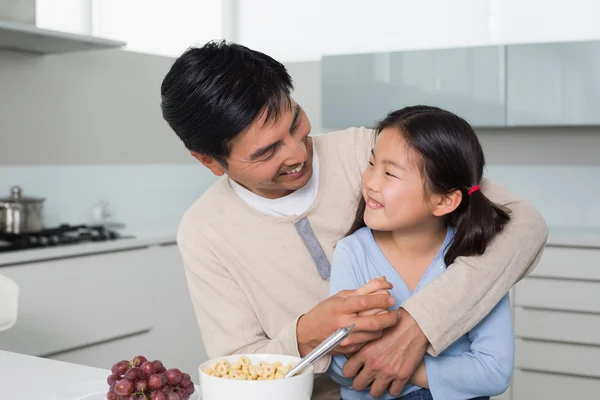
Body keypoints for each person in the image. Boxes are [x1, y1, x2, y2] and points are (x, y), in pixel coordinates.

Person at [160, 41, 548, 400]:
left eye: (295, 123)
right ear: (209, 160)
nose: (298, 154)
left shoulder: (371, 153)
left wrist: (421, 324)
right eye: (267, 152)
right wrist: (304, 335)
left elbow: (523, 224)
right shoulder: (204, 233)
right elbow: (238, 365)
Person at [328, 106, 515, 400]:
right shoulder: (352, 253)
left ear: (443, 201)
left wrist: (397, 363)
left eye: (390, 173)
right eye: (371, 164)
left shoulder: (476, 257)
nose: (371, 182)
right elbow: (341, 367)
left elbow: (494, 370)